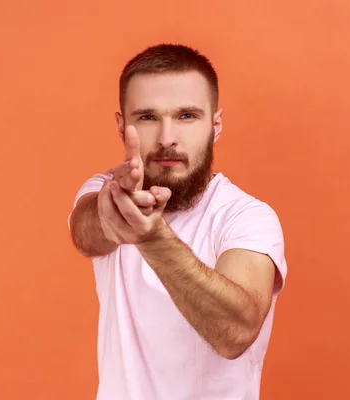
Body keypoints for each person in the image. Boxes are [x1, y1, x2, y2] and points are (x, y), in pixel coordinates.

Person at [68, 43, 288, 400]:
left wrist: (151, 238)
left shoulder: (247, 216)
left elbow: (235, 332)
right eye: (148, 117)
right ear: (122, 126)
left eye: (186, 116)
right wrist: (116, 215)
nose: (167, 138)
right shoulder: (106, 193)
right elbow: (86, 232)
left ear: (215, 125)